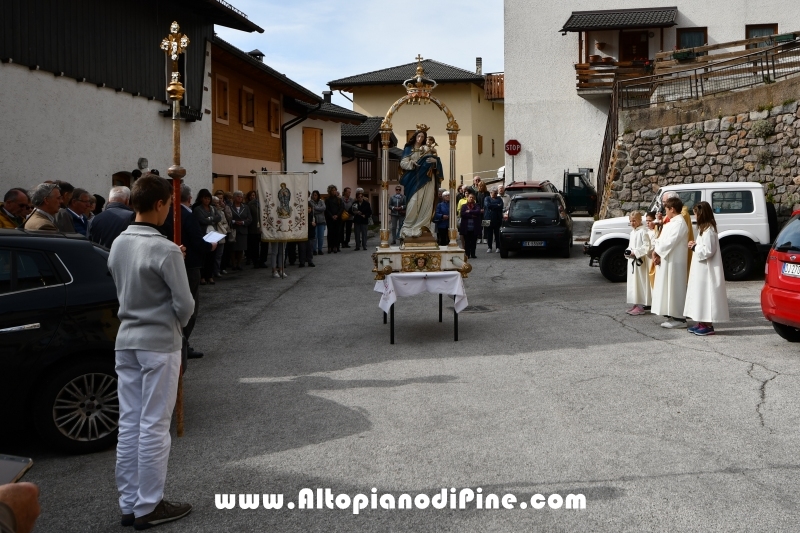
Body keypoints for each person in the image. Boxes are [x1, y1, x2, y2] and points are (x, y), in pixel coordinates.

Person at [108, 174, 194, 530]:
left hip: (126, 338)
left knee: (129, 424)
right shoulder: (164, 248)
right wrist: (176, 325)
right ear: (160, 205)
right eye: (169, 205)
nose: (169, 210)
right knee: (155, 426)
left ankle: (129, 503)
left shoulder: (118, 243)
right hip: (158, 342)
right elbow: (185, 303)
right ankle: (149, 505)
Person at [177, 185, 216, 359]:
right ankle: (184, 344)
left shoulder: (171, 213)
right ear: (190, 199)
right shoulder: (188, 215)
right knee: (190, 305)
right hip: (190, 264)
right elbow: (196, 241)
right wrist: (210, 245)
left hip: (177, 262)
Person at [684, 201, 729, 336]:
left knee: (706, 295)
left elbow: (708, 250)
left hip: (707, 270)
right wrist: (695, 244)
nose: (695, 217)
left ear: (702, 214)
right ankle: (701, 321)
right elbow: (703, 247)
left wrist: (694, 247)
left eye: (696, 214)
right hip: (700, 269)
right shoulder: (703, 230)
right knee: (700, 295)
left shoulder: (709, 230)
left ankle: (707, 324)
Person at [398, 128, 444, 241]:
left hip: (428, 180)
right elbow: (403, 163)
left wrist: (436, 163)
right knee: (413, 202)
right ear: (415, 136)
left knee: (427, 202)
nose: (420, 139)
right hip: (414, 180)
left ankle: (423, 226)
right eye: (419, 136)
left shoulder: (428, 149)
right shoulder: (409, 148)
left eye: (423, 137)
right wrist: (412, 163)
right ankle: (408, 227)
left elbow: (436, 161)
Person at [651, 196, 689, 328]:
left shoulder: (679, 224)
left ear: (672, 209)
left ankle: (679, 318)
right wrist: (656, 251)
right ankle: (672, 314)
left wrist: (657, 251)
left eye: (666, 209)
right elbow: (662, 239)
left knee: (675, 288)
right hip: (666, 259)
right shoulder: (672, 222)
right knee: (668, 288)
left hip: (675, 262)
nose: (665, 211)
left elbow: (670, 242)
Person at [192, 189, 221, 285]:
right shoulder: (197, 209)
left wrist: (209, 219)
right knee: (203, 257)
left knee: (212, 256)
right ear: (201, 198)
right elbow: (202, 220)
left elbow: (219, 217)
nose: (207, 200)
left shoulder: (213, 208)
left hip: (213, 234)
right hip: (204, 234)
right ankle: (203, 277)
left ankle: (210, 276)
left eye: (209, 198)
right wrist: (212, 219)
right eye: (205, 198)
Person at [625, 212, 651, 316]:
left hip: (640, 261)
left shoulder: (643, 231)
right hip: (632, 260)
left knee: (639, 282)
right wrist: (627, 252)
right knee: (633, 283)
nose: (632, 223)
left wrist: (635, 253)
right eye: (630, 221)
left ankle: (641, 306)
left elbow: (646, 246)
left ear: (640, 220)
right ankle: (635, 303)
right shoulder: (633, 232)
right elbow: (630, 245)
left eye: (634, 220)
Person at [229, 191, 251, 270]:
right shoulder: (230, 207)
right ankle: (233, 264)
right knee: (233, 248)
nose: (240, 198)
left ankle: (239, 263)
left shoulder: (246, 207)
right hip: (233, 230)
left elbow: (249, 219)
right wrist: (234, 221)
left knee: (241, 248)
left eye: (241, 197)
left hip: (243, 230)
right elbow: (227, 218)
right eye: (238, 196)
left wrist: (243, 222)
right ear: (234, 198)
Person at [211, 196, 230, 278]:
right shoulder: (210, 211)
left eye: (217, 203)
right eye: (214, 203)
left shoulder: (221, 212)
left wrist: (222, 227)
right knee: (211, 255)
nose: (216, 205)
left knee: (219, 255)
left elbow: (226, 223)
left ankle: (217, 270)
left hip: (221, 235)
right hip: (212, 235)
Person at [459, 193, 482, 259]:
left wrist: (469, 211)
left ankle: (473, 254)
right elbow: (463, 214)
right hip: (466, 227)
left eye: (472, 197)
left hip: (474, 227)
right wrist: (472, 215)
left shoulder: (477, 205)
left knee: (473, 241)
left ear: (474, 199)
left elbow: (478, 212)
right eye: (470, 197)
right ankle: (467, 254)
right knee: (467, 242)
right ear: (467, 198)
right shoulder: (464, 206)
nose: (471, 198)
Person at [483, 186, 504, 252]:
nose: (495, 194)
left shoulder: (499, 198)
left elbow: (501, 206)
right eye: (494, 193)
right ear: (491, 193)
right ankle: (489, 247)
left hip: (497, 218)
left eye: (496, 193)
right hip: (487, 218)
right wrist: (496, 205)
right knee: (489, 234)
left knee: (497, 234)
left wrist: (495, 206)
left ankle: (498, 247)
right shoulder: (487, 198)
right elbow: (488, 205)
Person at [324, 185, 343, 253]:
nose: (334, 191)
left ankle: (336, 246)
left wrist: (337, 215)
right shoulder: (327, 200)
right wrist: (331, 216)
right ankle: (330, 246)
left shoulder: (339, 199)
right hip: (330, 218)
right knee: (330, 232)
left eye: (335, 190)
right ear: (329, 191)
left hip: (338, 218)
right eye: (332, 190)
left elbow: (341, 208)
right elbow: (327, 209)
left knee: (337, 232)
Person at [246, 191, 261, 267]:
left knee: (264, 246)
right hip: (254, 228)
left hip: (263, 228)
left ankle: (262, 260)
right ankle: (255, 261)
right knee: (254, 246)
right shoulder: (251, 204)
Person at [298, 203, 316, 267]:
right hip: (302, 234)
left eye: (309, 208)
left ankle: (310, 261)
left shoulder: (313, 215)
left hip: (311, 234)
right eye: (307, 208)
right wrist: (310, 224)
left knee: (310, 249)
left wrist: (313, 224)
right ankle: (302, 262)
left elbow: (314, 224)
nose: (308, 210)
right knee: (302, 249)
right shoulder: (302, 216)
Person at [310, 190, 326, 255]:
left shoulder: (322, 201)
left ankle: (320, 249)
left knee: (321, 237)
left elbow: (324, 208)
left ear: (318, 195)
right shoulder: (310, 202)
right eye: (313, 195)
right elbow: (312, 210)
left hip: (321, 221)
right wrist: (319, 210)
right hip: (315, 221)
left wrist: (316, 209)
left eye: (316, 195)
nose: (314, 196)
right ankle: (314, 250)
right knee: (315, 237)